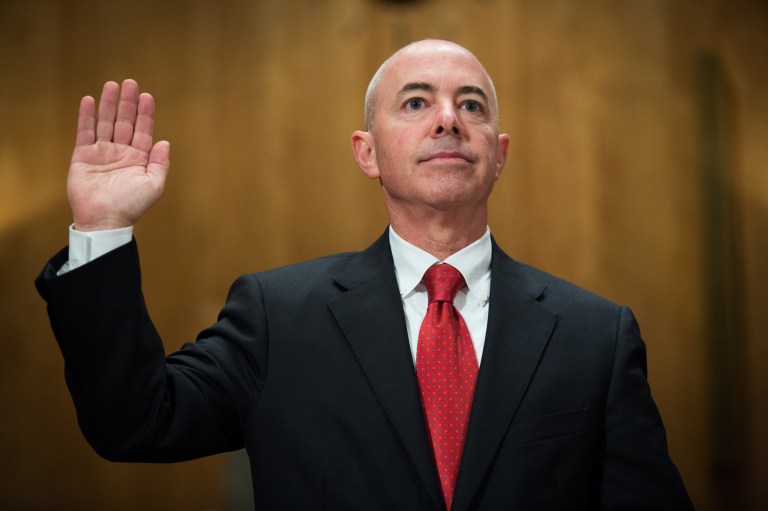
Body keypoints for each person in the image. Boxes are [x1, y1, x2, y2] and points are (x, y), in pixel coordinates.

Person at [36, 39, 693, 510]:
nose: (448, 118)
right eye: (416, 102)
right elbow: (136, 421)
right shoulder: (276, 316)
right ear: (368, 153)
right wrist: (102, 228)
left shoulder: (595, 335)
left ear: (499, 156)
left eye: (471, 105)